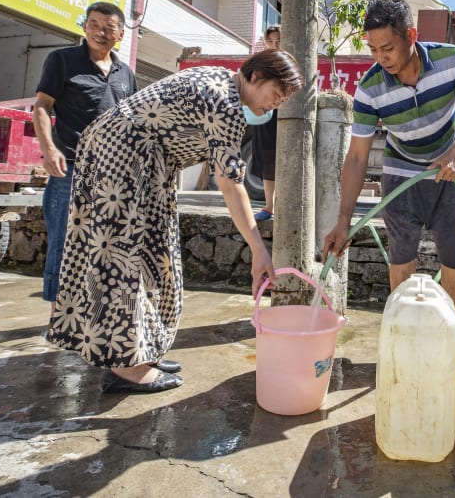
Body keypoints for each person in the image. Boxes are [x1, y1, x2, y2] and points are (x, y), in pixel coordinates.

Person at [45, 50, 303, 394]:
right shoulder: (225, 102)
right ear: (256, 77)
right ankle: (125, 367)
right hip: (123, 160)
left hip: (142, 162)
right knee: (124, 257)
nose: (274, 107)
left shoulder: (221, 80)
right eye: (276, 96)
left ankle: (141, 348)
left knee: (156, 254)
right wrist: (259, 249)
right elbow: (230, 184)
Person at [321, 0, 455, 373]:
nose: (382, 57)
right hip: (400, 172)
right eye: (374, 49)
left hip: (447, 168)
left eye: (389, 47)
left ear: (411, 35)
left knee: (452, 253)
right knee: (401, 254)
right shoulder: (370, 88)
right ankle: (403, 338)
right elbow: (358, 156)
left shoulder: (450, 61)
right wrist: (344, 220)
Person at [33, 2, 138, 306]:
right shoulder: (62, 60)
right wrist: (48, 149)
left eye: (108, 27)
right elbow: (42, 105)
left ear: (120, 35)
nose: (100, 32)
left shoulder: (125, 74)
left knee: (105, 244)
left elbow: (133, 121)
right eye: (93, 24)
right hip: (71, 168)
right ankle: (57, 314)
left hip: (113, 174)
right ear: (84, 26)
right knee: (64, 242)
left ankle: (89, 311)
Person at [250, 25, 282, 221]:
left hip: (285, 116)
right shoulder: (261, 62)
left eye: (278, 40)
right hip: (264, 115)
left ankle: (282, 205)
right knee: (266, 160)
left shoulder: (290, 61)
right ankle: (269, 206)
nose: (274, 44)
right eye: (270, 40)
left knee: (285, 162)